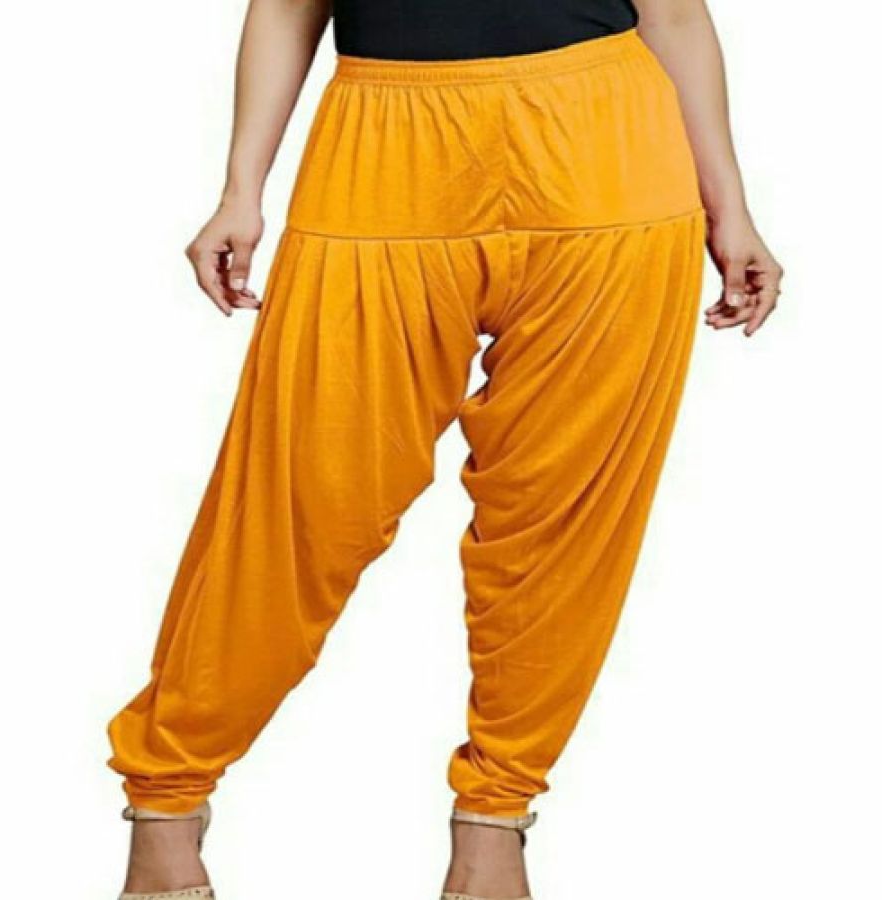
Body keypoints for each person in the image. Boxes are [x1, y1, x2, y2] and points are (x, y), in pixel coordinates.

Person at [107, 1, 783, 898]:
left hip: (609, 154)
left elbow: (676, 17)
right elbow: (286, 7)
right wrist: (241, 189)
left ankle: (497, 816)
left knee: (562, 518)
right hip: (382, 145)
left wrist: (731, 208)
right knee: (301, 501)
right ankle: (166, 793)